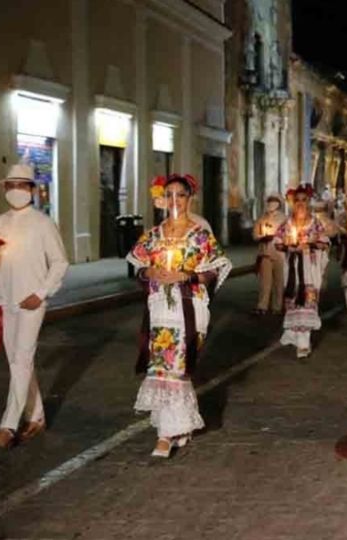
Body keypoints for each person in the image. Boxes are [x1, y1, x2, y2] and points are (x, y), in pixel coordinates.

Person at [127, 174, 232, 457]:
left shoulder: (200, 235)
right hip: (160, 305)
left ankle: (174, 428)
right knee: (162, 366)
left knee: (179, 364)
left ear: (189, 198)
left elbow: (216, 269)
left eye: (181, 195)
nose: (175, 200)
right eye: (170, 194)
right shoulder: (154, 234)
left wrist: (186, 275)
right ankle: (168, 431)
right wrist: (150, 272)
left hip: (190, 305)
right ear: (163, 199)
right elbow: (136, 266)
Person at [0, 164, 69, 449]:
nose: (16, 190)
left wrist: (41, 293)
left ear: (31, 189)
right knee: (18, 361)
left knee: (21, 359)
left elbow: (60, 262)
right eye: (11, 185)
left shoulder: (43, 224)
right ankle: (37, 415)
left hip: (30, 303)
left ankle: (7, 426)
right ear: (5, 189)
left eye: (22, 185)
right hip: (1, 300)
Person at [278, 185, 331, 358]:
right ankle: (293, 332)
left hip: (309, 267)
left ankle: (303, 341)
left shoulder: (315, 223)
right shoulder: (287, 223)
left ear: (308, 202)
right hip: (293, 267)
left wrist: (311, 243)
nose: (300, 204)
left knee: (308, 299)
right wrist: (288, 245)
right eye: (297, 200)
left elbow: (325, 242)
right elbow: (277, 242)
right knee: (292, 298)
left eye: (304, 200)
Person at [252, 194, 287, 315]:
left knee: (279, 281)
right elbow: (255, 235)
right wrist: (262, 237)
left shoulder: (284, 219)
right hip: (265, 253)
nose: (271, 204)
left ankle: (277, 306)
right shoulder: (262, 218)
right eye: (269, 202)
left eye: (273, 202)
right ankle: (262, 305)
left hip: (279, 253)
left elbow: (288, 234)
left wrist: (278, 238)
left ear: (278, 204)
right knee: (264, 282)